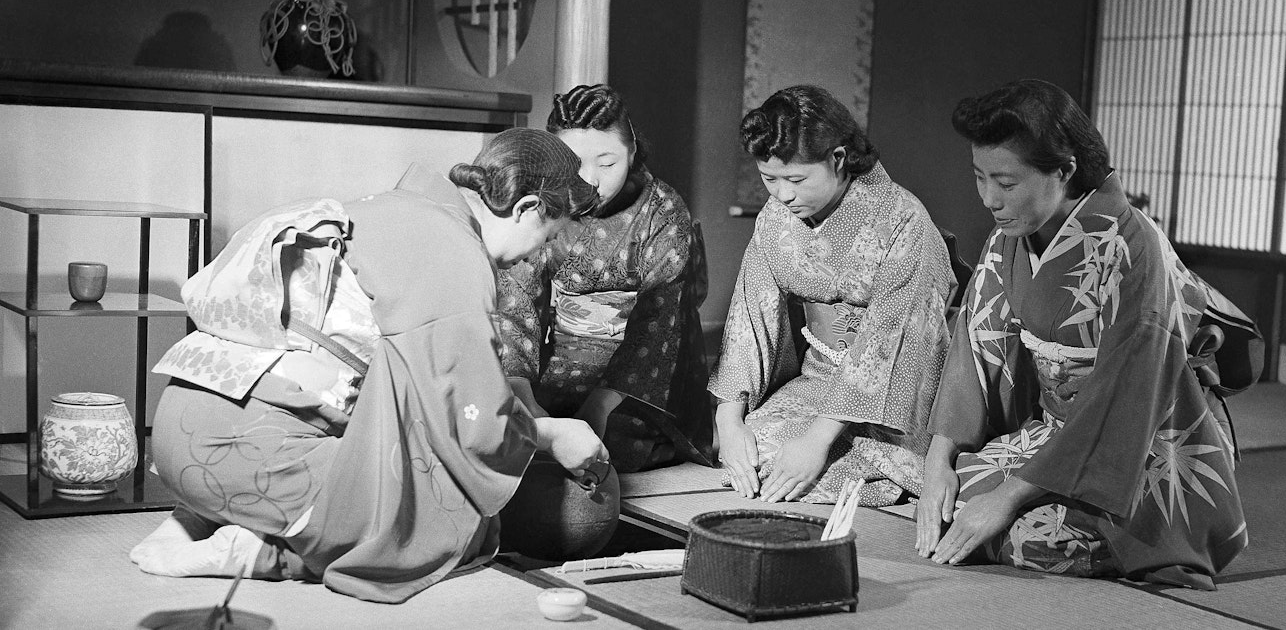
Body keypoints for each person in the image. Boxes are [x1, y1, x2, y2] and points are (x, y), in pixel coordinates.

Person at [130, 128, 608, 603]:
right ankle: (259, 552)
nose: (536, 255)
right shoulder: (454, 251)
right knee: (439, 521)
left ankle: (194, 520)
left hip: (179, 431)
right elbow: (469, 425)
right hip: (251, 450)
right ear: (526, 208)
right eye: (548, 236)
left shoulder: (395, 208)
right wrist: (552, 434)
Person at [917, 79, 1262, 590]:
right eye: (979, 177)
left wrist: (1008, 497)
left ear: (1064, 170)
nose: (989, 199)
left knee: (1031, 536)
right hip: (1057, 430)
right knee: (951, 496)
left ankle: (1148, 536)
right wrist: (936, 462)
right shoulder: (1008, 238)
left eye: (1006, 183)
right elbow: (975, 348)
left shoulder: (1131, 246)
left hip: (1142, 435)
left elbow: (1128, 392)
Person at [710, 85, 955, 506]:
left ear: (838, 159)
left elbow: (890, 343)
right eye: (769, 179)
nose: (782, 195)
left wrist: (816, 441)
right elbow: (749, 317)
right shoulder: (776, 218)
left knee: (795, 466)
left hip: (896, 397)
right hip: (818, 381)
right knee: (748, 451)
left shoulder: (903, 220)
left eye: (796, 179)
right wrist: (728, 419)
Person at [496, 84, 714, 472]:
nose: (591, 180)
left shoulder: (663, 211)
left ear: (632, 150)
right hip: (559, 362)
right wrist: (525, 401)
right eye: (574, 163)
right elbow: (517, 302)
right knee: (508, 425)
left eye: (607, 163)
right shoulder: (544, 201)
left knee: (613, 442)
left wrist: (600, 405)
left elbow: (659, 324)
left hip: (639, 375)